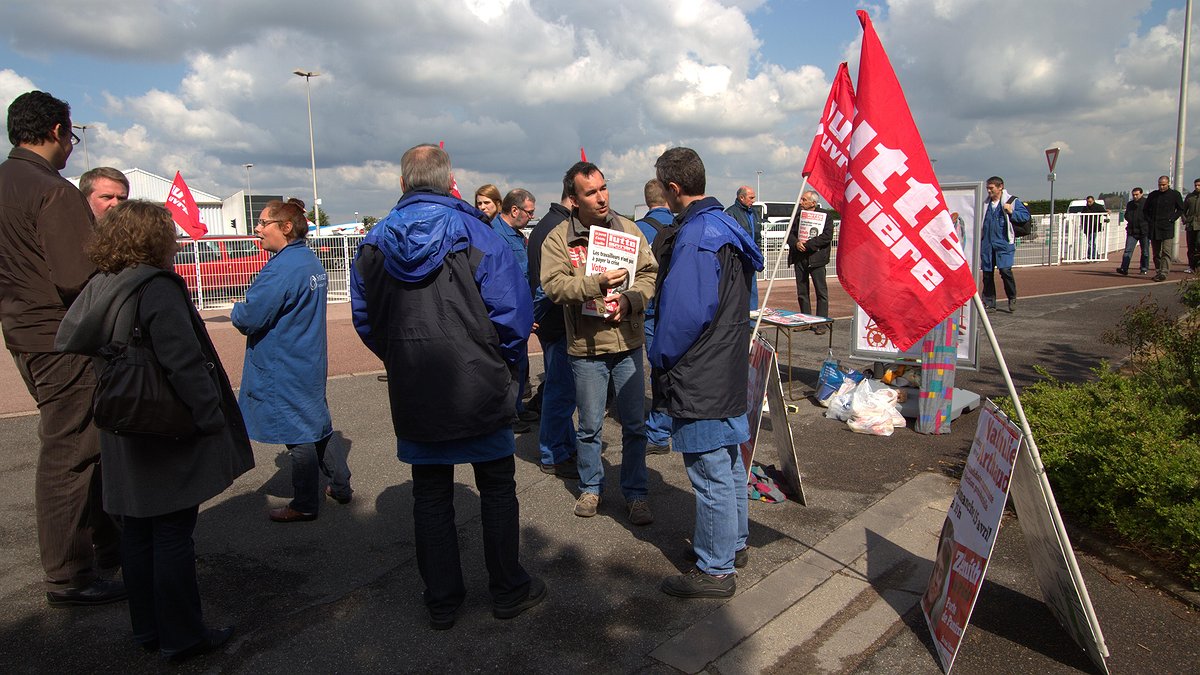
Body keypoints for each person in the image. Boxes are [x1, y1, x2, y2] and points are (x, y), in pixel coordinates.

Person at [350, 144, 545, 629]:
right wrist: (503, 367)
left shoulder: (374, 242)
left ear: (402, 184)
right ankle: (507, 588)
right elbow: (513, 316)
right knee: (497, 486)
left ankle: (442, 601)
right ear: (449, 181)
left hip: (416, 384)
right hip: (480, 381)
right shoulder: (478, 232)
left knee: (431, 493)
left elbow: (366, 318)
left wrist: (400, 357)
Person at [55, 199, 253, 661]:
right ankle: (184, 635)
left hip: (123, 423)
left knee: (138, 536)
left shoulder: (102, 284)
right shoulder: (156, 287)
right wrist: (209, 418)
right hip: (164, 424)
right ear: (152, 239)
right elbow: (184, 363)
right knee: (171, 535)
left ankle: (148, 629)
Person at [0, 90, 124, 607]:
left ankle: (101, 545)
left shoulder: (6, 181)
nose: (71, 146)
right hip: (62, 335)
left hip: (23, 329)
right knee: (72, 451)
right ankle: (70, 572)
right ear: (56, 132)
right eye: (70, 136)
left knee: (73, 442)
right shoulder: (51, 189)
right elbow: (77, 275)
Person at [649, 147, 762, 598]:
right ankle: (731, 545)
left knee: (710, 470)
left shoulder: (697, 235)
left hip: (700, 370)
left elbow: (681, 317)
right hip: (727, 359)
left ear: (674, 189)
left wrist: (659, 357)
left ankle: (716, 569)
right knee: (730, 461)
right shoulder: (728, 224)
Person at [541, 161, 658, 524]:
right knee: (589, 426)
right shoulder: (559, 237)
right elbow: (554, 285)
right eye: (591, 192)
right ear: (574, 200)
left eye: (603, 188)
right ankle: (591, 487)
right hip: (586, 350)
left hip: (626, 343)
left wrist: (631, 299)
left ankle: (636, 495)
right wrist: (596, 284)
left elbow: (649, 274)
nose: (602, 197)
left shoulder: (629, 229)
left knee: (635, 426)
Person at [232, 198, 351, 522]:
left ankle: (305, 503)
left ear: (284, 227)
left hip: (284, 362)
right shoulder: (308, 261)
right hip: (307, 358)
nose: (257, 229)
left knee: (298, 433)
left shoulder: (282, 268)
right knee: (317, 423)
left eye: (263, 223)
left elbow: (250, 317)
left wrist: (236, 309)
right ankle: (340, 485)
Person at [526, 188, 579, 478]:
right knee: (560, 392)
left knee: (561, 389)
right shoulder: (559, 230)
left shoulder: (545, 225)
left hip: (550, 321)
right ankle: (553, 453)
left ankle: (564, 447)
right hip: (558, 321)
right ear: (574, 198)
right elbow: (548, 285)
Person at [490, 188, 539, 432]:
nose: (531, 217)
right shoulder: (496, 236)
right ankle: (508, 416)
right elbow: (504, 283)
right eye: (529, 213)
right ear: (514, 210)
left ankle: (517, 408)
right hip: (508, 313)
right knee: (507, 367)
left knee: (519, 365)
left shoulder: (515, 235)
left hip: (518, 311)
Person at [635, 179, 674, 455]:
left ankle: (657, 432)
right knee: (671, 367)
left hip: (645, 308)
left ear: (647, 200)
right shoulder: (682, 225)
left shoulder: (635, 230)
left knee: (648, 366)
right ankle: (667, 424)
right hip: (675, 308)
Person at [787, 190, 834, 332]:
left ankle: (821, 323)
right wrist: (796, 243)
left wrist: (808, 245)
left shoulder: (826, 216)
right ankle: (805, 321)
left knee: (821, 292)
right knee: (802, 291)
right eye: (801, 199)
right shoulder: (797, 216)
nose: (801, 202)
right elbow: (790, 234)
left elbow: (826, 236)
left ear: (813, 202)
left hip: (817, 259)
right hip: (800, 258)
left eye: (804, 200)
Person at [980, 176, 1030, 312]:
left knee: (1005, 271)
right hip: (987, 244)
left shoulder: (1012, 201)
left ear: (1000, 186)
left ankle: (1011, 297)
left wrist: (1012, 211)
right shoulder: (984, 204)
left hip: (1003, 243)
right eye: (987, 188)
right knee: (987, 274)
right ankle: (989, 302)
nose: (989, 191)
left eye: (991, 188)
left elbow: (1025, 216)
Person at [1143, 174, 1184, 282]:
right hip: (1154, 228)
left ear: (1168, 184)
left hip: (1167, 228)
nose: (1161, 187)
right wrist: (1149, 221)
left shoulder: (1175, 195)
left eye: (1163, 185)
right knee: (1157, 253)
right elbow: (1145, 210)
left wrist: (1172, 219)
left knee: (1166, 251)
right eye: (1160, 185)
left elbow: (1180, 209)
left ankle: (1164, 272)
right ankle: (1158, 270)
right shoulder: (1153, 195)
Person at [1116, 187, 1151, 275]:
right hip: (1132, 230)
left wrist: (1145, 223)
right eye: (1133, 195)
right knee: (1128, 250)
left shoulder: (1147, 203)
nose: (1135, 196)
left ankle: (1144, 268)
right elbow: (1127, 215)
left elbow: (1150, 215)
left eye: (1137, 194)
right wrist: (1130, 219)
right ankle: (1124, 268)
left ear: (1141, 194)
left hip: (1144, 231)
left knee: (1145, 251)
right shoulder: (1130, 204)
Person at [1183, 179, 1200, 274]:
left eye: (1199, 185)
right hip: (1191, 225)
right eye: (1196, 185)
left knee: (1199, 244)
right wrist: (1185, 220)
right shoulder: (1190, 197)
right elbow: (1183, 210)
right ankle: (1191, 266)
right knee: (1191, 247)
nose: (1197, 187)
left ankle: (1198, 265)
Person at [1081, 195, 1106, 259]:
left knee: (1091, 242)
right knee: (1091, 242)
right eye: (1088, 202)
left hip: (1094, 227)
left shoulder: (1098, 207)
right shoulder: (1085, 208)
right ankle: (1094, 255)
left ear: (1093, 201)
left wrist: (1107, 212)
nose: (1089, 203)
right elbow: (1082, 217)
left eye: (1090, 202)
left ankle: (1091, 256)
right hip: (1087, 227)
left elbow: (1104, 213)